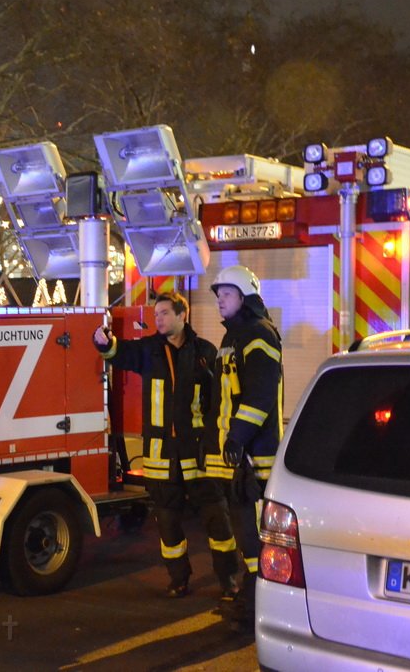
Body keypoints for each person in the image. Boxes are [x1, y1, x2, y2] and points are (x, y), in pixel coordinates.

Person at [94, 292, 238, 599]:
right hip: (161, 458)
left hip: (198, 455)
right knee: (168, 524)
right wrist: (104, 344)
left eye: (163, 313)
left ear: (181, 315)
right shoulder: (149, 350)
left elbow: (216, 407)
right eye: (156, 314)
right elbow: (119, 353)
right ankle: (178, 579)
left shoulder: (204, 353)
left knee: (217, 518)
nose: (157, 318)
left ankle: (228, 580)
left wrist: (215, 446)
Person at [201, 265, 283, 631]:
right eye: (218, 295)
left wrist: (238, 436)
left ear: (246, 297)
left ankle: (256, 609)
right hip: (239, 458)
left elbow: (260, 395)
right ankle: (250, 602)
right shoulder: (233, 338)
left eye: (227, 294)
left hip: (255, 459)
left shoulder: (258, 335)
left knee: (253, 537)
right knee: (246, 537)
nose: (220, 300)